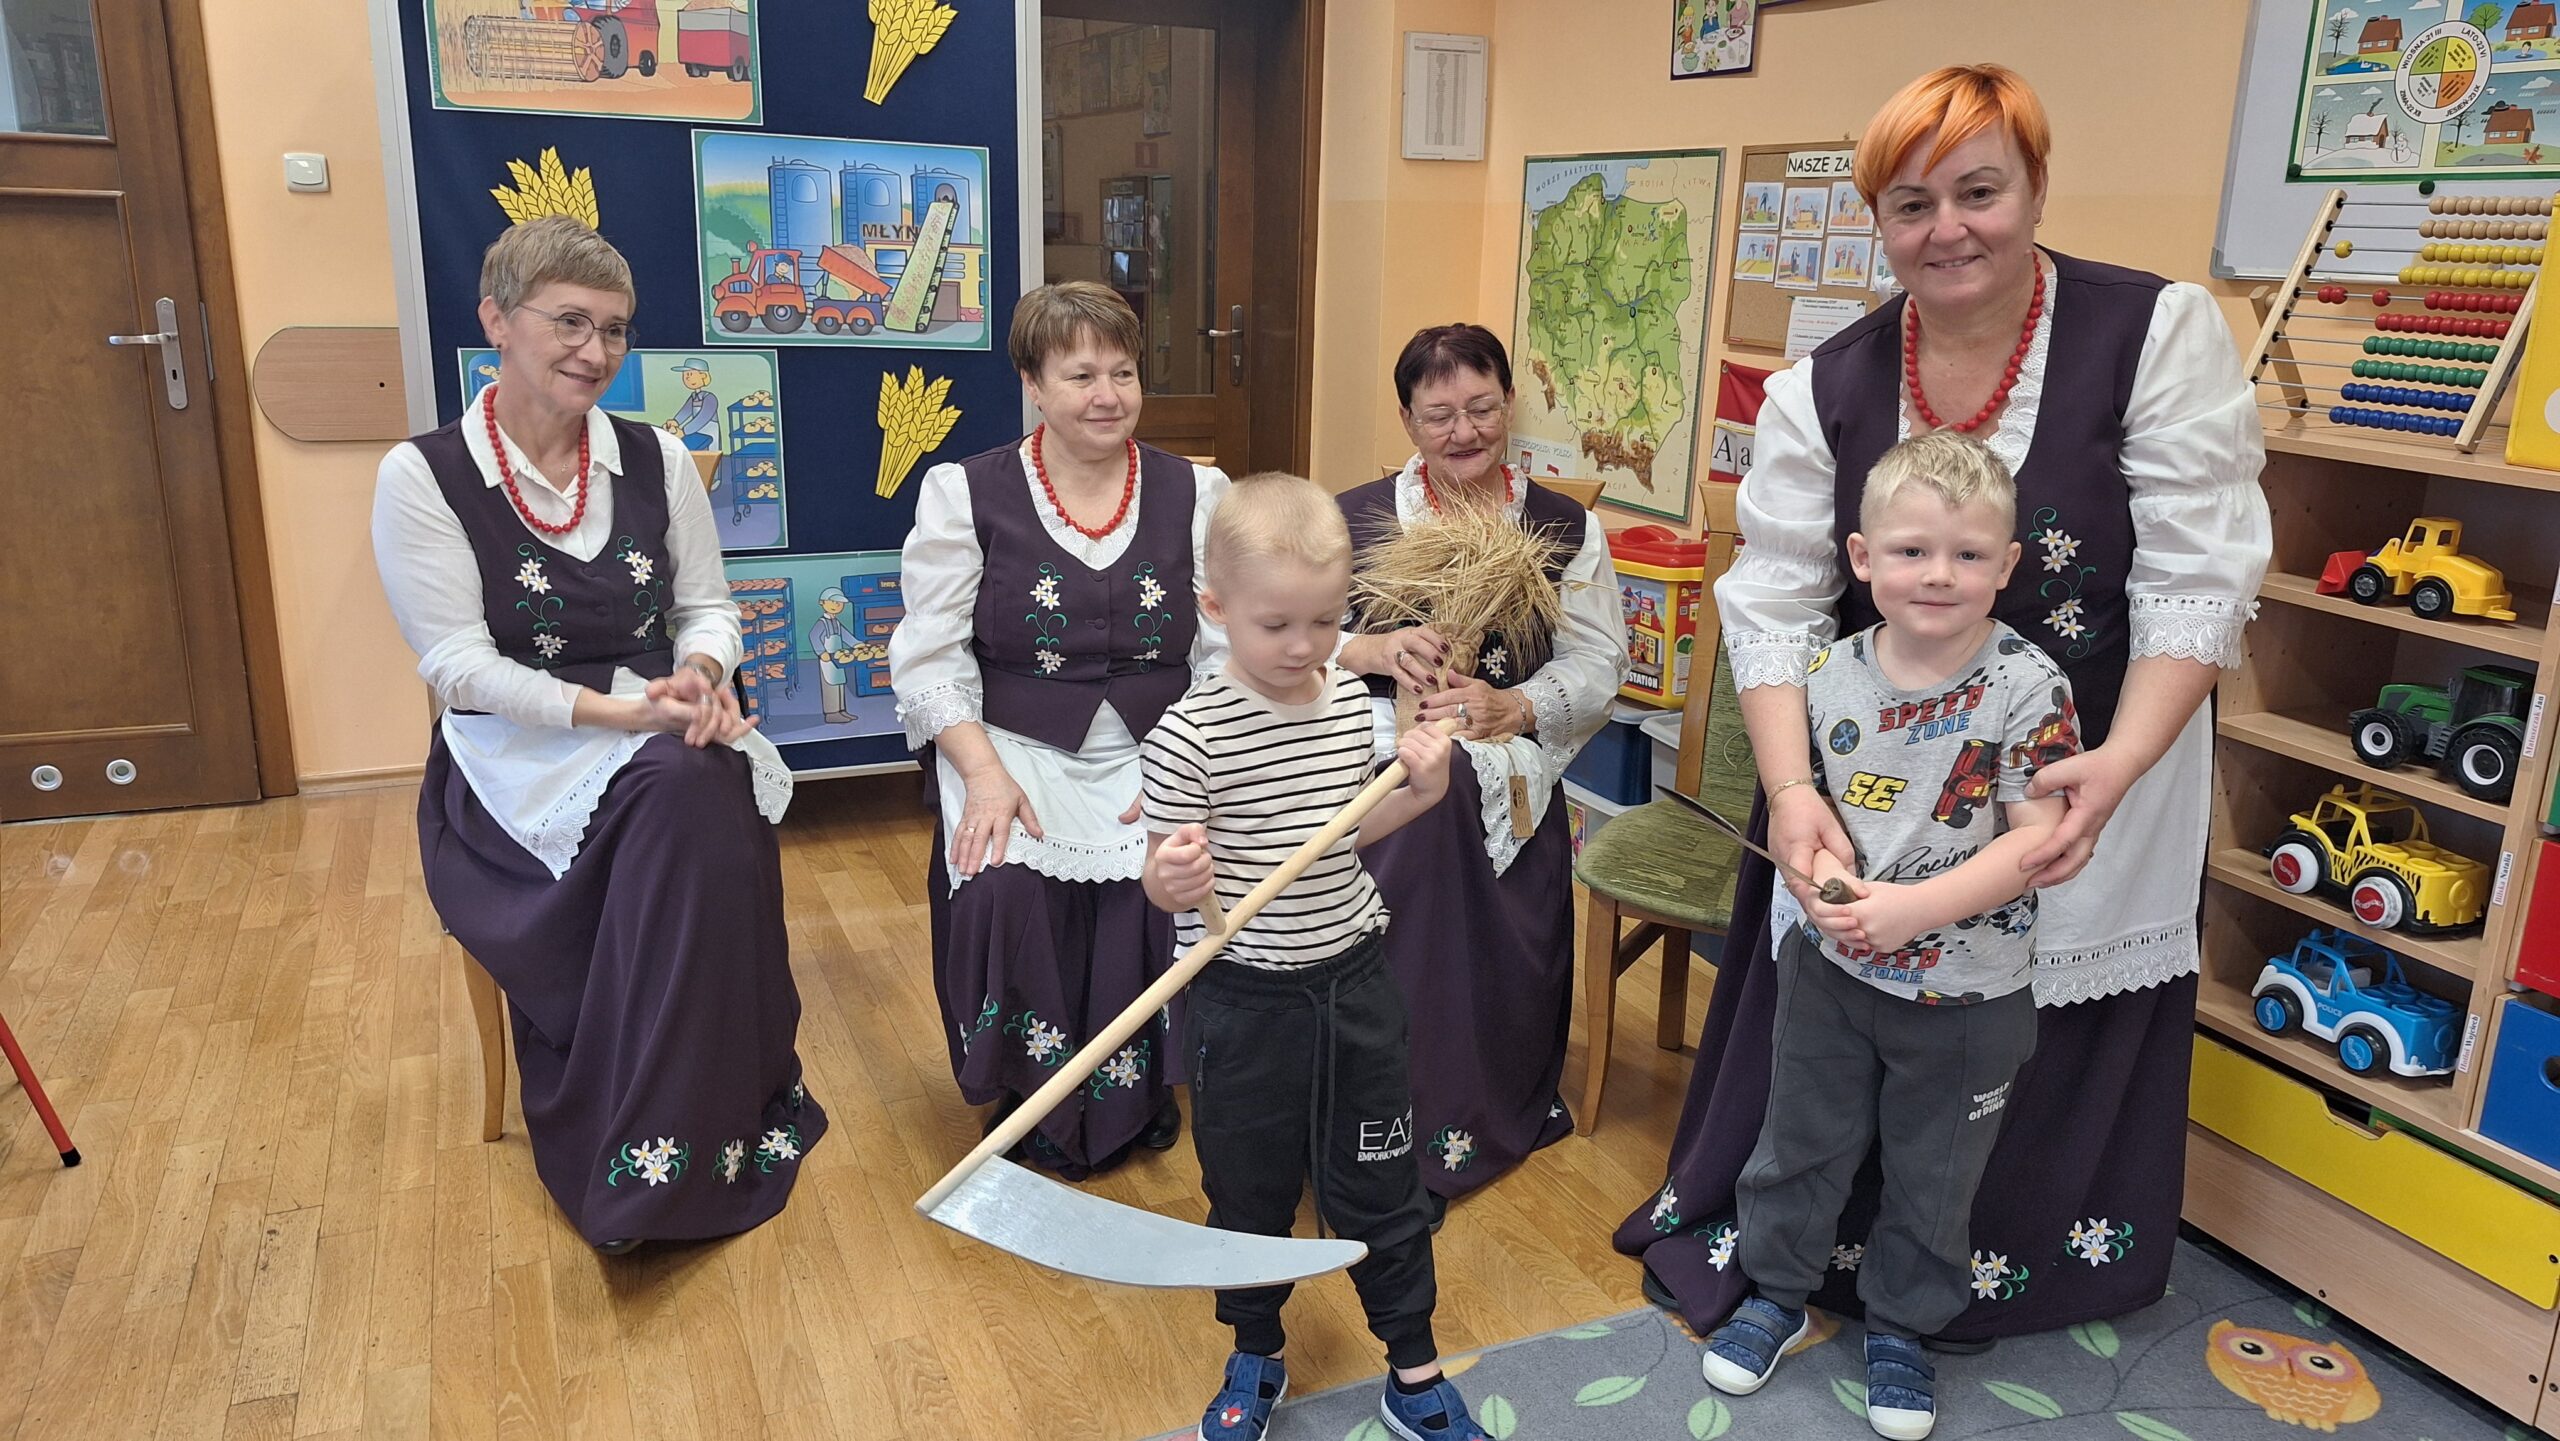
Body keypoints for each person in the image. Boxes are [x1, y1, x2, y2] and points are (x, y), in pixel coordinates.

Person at [1615, 64, 2270, 1345]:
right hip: (1878, 786)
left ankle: (2011, 1269)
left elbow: (2200, 578)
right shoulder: (1824, 386)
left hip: (2090, 769)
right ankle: (1810, 1258)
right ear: (1878, 218)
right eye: (1911, 205)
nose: (1947, 229)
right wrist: (1790, 790)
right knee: (1846, 1023)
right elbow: (1773, 607)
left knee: (2009, 1031)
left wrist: (2119, 764)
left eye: (1980, 191)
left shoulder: (2153, 335)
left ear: (2036, 187)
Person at [372, 215, 818, 1254]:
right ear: (496, 321)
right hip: (511, 764)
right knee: (690, 789)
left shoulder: (656, 458)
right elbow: (459, 669)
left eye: (614, 329)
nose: (595, 350)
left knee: (696, 783)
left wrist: (700, 677)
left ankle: (687, 1131)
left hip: (651, 730)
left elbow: (708, 608)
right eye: (569, 321)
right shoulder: (424, 474)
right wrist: (622, 713)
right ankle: (656, 1136)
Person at [1698, 433, 2075, 1441]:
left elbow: (2038, 840)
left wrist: (1916, 909)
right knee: (1798, 1143)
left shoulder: (2029, 686)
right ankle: (1775, 1293)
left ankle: (1904, 1326)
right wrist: (1817, 883)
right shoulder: (1824, 673)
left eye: (1966, 554)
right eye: (1912, 551)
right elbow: (1809, 818)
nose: (1938, 574)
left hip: (1971, 994)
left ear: (2007, 565)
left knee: (1936, 1172)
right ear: (1862, 558)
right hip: (1830, 974)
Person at [1140, 473, 1490, 1441]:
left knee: (1383, 1181)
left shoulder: (1346, 705)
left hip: (1352, 982)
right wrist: (1175, 875)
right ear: (1216, 609)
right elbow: (1162, 885)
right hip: (1242, 999)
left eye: (1327, 622)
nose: (1303, 647)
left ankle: (1412, 1367)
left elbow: (1349, 833)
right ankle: (1256, 1349)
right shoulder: (1187, 737)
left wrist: (1422, 785)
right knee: (1247, 1191)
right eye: (1277, 625)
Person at [888, 280, 1230, 1177]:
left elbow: (1225, 651)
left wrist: (1189, 766)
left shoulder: (1198, 491)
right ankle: (1027, 1084)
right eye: (1081, 375)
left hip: (1160, 743)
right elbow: (929, 658)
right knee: (1003, 882)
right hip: (1014, 746)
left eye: (1123, 373)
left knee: (1162, 870)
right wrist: (982, 772)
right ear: (1034, 384)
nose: (1107, 395)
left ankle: (1140, 1086)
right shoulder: (965, 493)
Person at [1334, 325, 1628, 1217]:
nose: (1463, 431)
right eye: (1439, 415)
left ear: (1509, 405)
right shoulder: (1354, 519)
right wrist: (1374, 650)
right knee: (1422, 782)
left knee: (1452, 782)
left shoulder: (1562, 526)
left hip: (1505, 757)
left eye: (1482, 408)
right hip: (1373, 745)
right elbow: (1289, 639)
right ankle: (1366, 1117)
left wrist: (1517, 707)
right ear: (1406, 420)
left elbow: (1599, 663)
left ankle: (1454, 1118)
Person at [810, 586, 858, 725]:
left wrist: (857, 644)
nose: (836, 605)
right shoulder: (822, 623)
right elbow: (813, 637)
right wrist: (821, 652)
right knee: (830, 684)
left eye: (840, 603)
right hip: (827, 660)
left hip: (838, 658)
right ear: (822, 603)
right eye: (833, 602)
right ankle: (831, 714)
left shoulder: (836, 622)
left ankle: (841, 710)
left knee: (839, 684)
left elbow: (845, 635)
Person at [664, 357, 720, 450]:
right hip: (695, 432)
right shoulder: (693, 397)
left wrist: (684, 431)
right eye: (685, 375)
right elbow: (685, 411)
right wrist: (675, 421)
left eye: (690, 374)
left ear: (703, 376)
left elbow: (702, 418)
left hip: (709, 431)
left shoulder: (710, 398)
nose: (687, 378)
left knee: (710, 452)